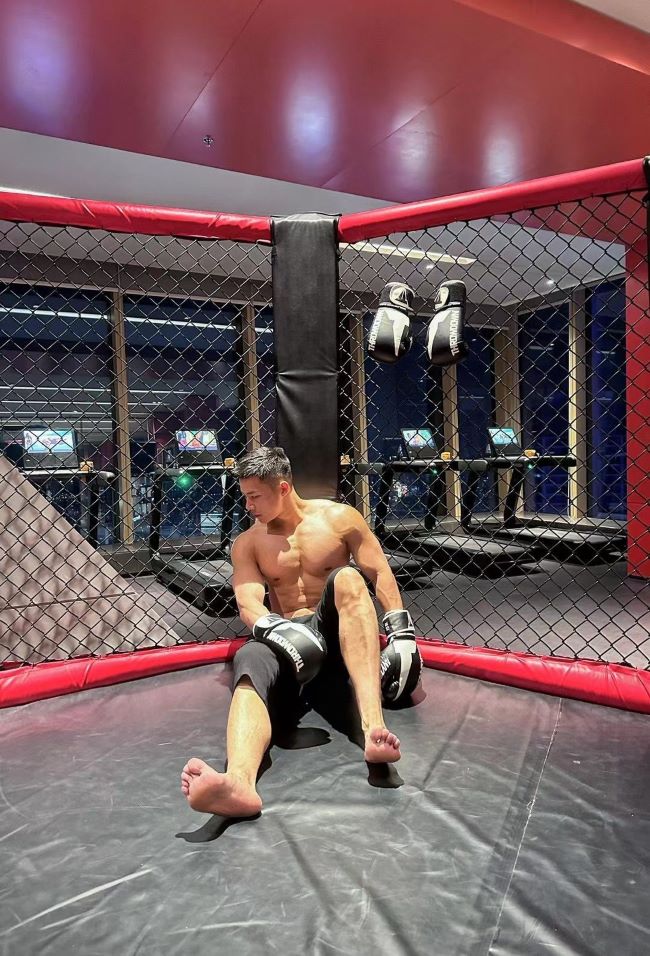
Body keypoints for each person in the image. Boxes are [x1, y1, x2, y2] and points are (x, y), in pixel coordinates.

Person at [181, 446, 420, 818]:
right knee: (249, 657)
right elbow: (249, 602)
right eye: (245, 497)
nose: (248, 506)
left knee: (348, 578)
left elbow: (379, 572)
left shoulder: (340, 519)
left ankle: (374, 731)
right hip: (288, 643)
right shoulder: (248, 543)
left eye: (255, 496)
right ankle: (239, 783)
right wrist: (273, 627)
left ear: (282, 488)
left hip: (337, 639)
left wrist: (400, 631)